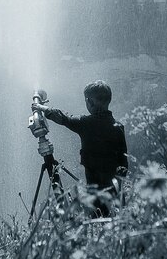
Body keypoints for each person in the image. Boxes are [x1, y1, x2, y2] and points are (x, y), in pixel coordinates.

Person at [33, 80, 128, 215]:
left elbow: (65, 118)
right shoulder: (118, 126)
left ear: (89, 102)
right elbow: (124, 161)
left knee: (97, 219)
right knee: (115, 220)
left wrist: (43, 109)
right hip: (116, 190)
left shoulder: (86, 124)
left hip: (95, 190)